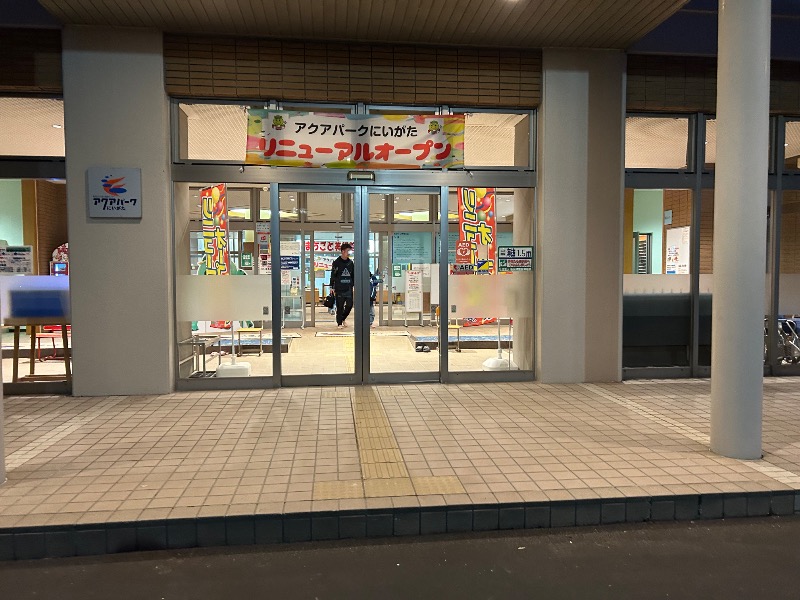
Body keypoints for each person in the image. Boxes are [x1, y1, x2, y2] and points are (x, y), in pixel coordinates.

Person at [330, 243, 355, 328]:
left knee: (349, 305)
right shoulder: (337, 262)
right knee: (340, 306)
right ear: (343, 251)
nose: (349, 253)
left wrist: (354, 285)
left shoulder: (350, 263)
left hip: (348, 287)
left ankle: (343, 318)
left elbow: (353, 275)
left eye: (350, 251)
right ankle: (339, 323)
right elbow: (333, 275)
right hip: (339, 288)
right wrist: (331, 286)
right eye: (348, 251)